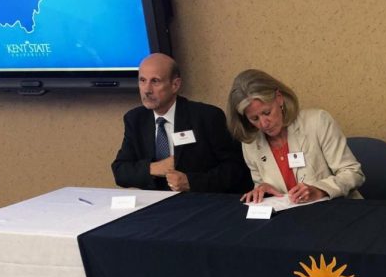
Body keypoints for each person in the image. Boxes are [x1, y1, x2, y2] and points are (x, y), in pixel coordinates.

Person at [112, 53, 252, 194]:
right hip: (155, 205)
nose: (147, 90)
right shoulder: (135, 119)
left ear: (175, 85)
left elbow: (236, 169)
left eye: (155, 81)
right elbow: (120, 172)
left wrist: (192, 182)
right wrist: (153, 168)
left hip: (199, 202)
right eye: (142, 80)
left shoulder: (207, 117)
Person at [227, 69, 364, 204]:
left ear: (279, 99)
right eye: (254, 118)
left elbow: (353, 173)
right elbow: (262, 184)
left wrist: (320, 190)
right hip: (291, 218)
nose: (263, 124)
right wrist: (262, 189)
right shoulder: (250, 143)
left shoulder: (317, 122)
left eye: (267, 112)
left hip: (336, 210)